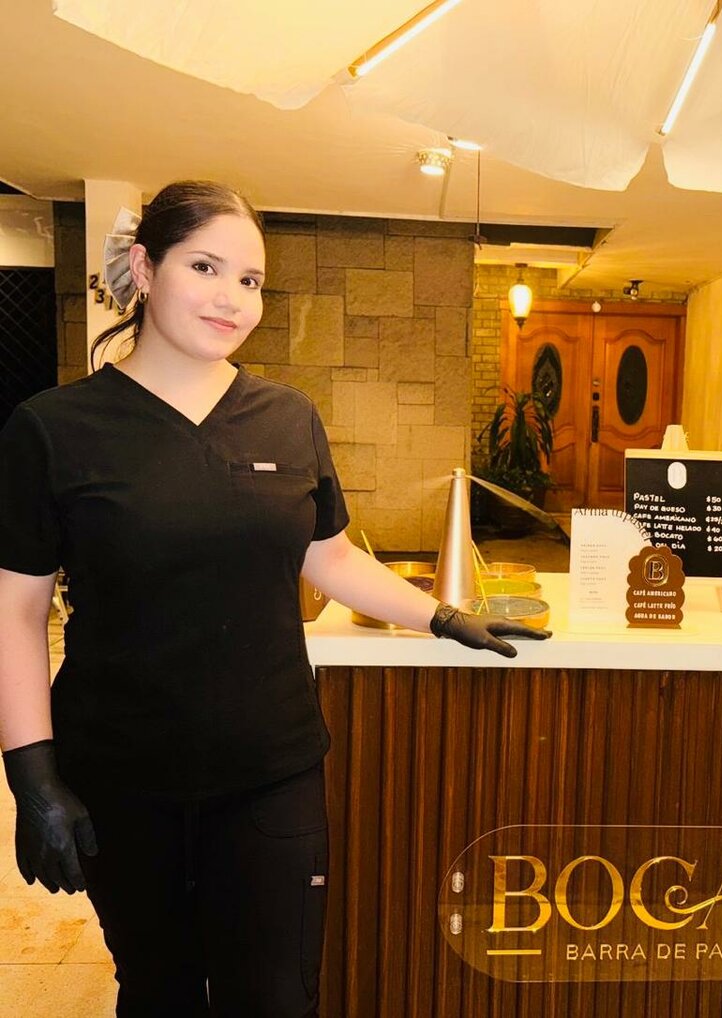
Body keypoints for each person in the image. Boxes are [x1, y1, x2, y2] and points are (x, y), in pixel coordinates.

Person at [0, 180, 550, 1017]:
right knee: (157, 994)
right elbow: (16, 612)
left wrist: (442, 616)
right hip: (121, 775)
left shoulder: (287, 418)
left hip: (270, 772)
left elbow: (329, 557)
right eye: (205, 267)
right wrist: (32, 775)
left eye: (251, 279)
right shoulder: (53, 429)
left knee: (278, 998)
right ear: (144, 269)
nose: (232, 298)